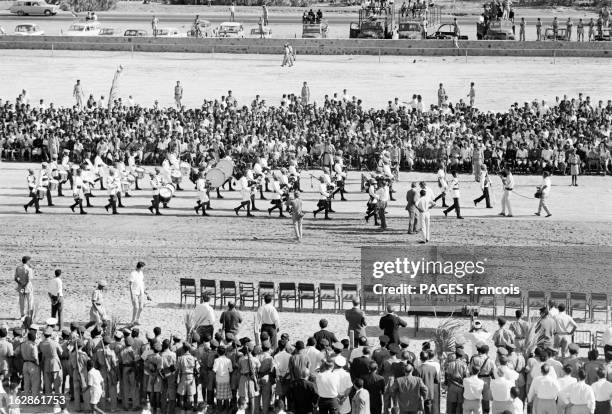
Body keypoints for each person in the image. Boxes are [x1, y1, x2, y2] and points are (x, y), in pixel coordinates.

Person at [15, 255, 34, 320]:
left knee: (21, 301)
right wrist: (25, 285)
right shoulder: (29, 269)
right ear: (27, 261)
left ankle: (22, 315)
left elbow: (15, 278)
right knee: (30, 301)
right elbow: (29, 279)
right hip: (28, 287)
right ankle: (29, 315)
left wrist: (21, 284)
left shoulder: (18, 268)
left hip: (21, 287)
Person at [129, 261, 147, 326]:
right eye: (143, 267)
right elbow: (130, 284)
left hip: (141, 292)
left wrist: (145, 291)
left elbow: (142, 283)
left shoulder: (141, 273)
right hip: (134, 292)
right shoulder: (133, 273)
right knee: (136, 307)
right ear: (141, 267)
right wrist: (131, 294)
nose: (143, 269)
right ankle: (133, 320)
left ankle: (137, 320)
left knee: (141, 307)